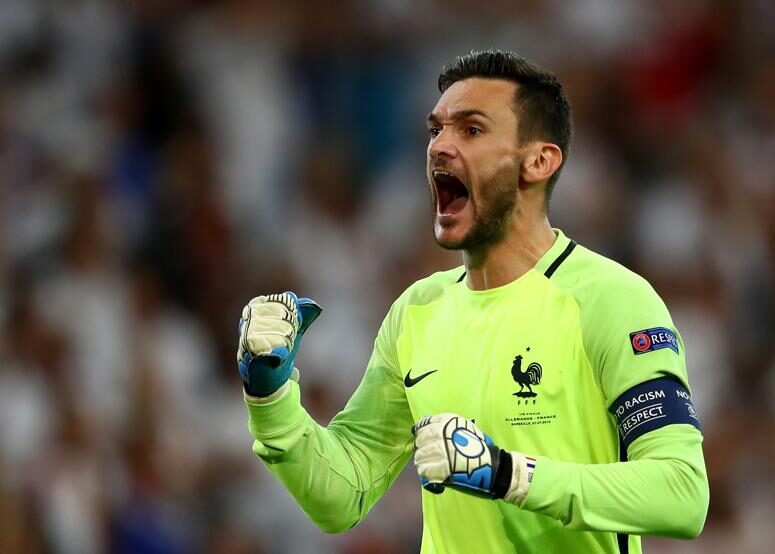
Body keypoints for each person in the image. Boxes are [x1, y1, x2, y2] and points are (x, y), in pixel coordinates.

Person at [237, 50, 709, 553]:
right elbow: (341, 496)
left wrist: (510, 475)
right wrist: (270, 398)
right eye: (435, 130)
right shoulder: (417, 311)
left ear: (539, 161)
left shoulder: (610, 300)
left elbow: (681, 494)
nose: (440, 147)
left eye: (472, 130)